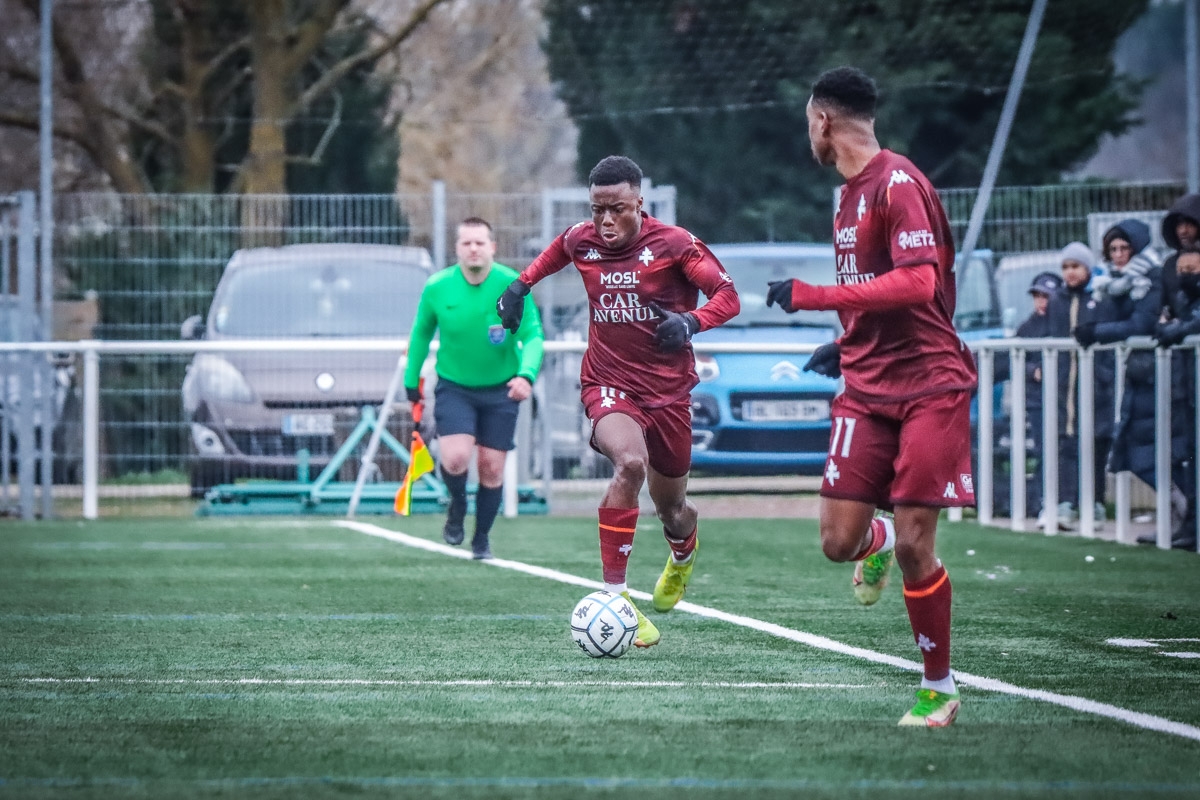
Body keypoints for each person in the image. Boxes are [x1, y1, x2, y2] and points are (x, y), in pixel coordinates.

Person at [768, 66, 976, 727]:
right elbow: (881, 290)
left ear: (822, 121)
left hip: (929, 388)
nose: (808, 133)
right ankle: (874, 536)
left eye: (808, 122)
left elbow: (917, 284)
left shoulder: (897, 183)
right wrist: (848, 337)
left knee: (920, 543)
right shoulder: (848, 196)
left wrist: (814, 297)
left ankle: (938, 688)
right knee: (837, 542)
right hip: (867, 383)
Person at [496, 155, 740, 648]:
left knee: (674, 510)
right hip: (608, 383)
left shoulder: (674, 245)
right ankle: (617, 596)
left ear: (639, 204)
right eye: (597, 209)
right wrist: (520, 286)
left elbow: (727, 296)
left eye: (617, 209)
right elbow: (557, 252)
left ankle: (683, 552)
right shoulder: (581, 238)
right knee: (629, 463)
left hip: (669, 393)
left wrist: (691, 323)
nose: (605, 221)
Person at [404, 217, 544, 560]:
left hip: (502, 389)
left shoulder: (512, 285)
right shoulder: (438, 287)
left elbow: (533, 335)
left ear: (492, 247)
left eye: (480, 242)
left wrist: (526, 375)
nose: (474, 249)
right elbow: (421, 334)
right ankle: (457, 506)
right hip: (455, 387)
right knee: (454, 459)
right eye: (467, 243)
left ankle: (481, 538)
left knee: (492, 467)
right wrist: (412, 381)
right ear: (457, 249)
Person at [1046, 242, 1115, 530]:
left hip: (1095, 385)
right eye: (1065, 267)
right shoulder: (1057, 300)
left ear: (1087, 268)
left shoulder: (1101, 299)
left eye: (1075, 266)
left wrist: (1103, 375)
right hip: (1065, 387)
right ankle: (1066, 503)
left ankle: (1096, 502)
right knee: (1067, 444)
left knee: (1096, 444)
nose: (1070, 272)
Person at [994, 271, 1062, 519]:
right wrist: (1034, 370)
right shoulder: (1028, 326)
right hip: (1037, 401)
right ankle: (1042, 503)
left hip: (1064, 400)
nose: (1041, 301)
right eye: (1037, 296)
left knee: (1063, 450)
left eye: (1046, 296)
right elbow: (1014, 362)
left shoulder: (1063, 322)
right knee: (1045, 450)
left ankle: (1059, 503)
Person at [1151, 242, 1200, 550]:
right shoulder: (1181, 300)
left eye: (1192, 270)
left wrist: (1178, 329)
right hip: (1187, 390)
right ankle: (1191, 525)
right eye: (1181, 270)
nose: (1185, 276)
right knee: (1188, 459)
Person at [1159, 193, 1200, 311]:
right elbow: (1164, 305)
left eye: (1190, 224)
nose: (1183, 231)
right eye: (1179, 224)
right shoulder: (1170, 264)